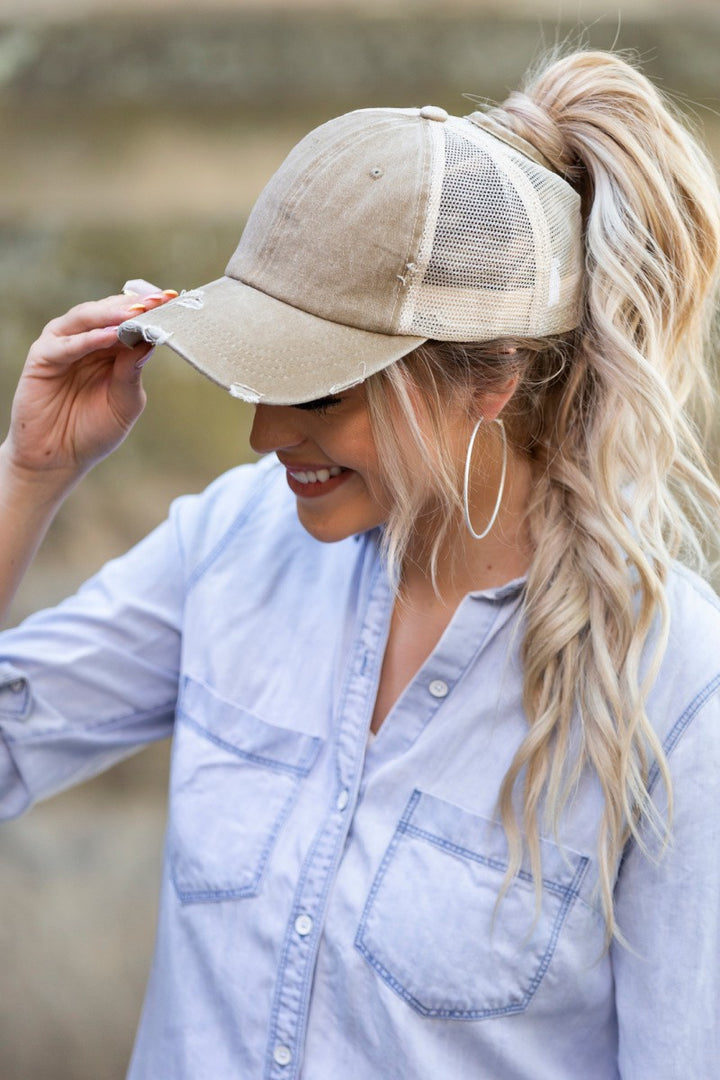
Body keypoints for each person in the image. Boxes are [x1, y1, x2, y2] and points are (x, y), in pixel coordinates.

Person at [1, 48, 719, 1080]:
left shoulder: (675, 688)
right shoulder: (235, 543)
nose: (259, 434)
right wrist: (29, 473)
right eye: (257, 372)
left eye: (318, 391)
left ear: (490, 381)